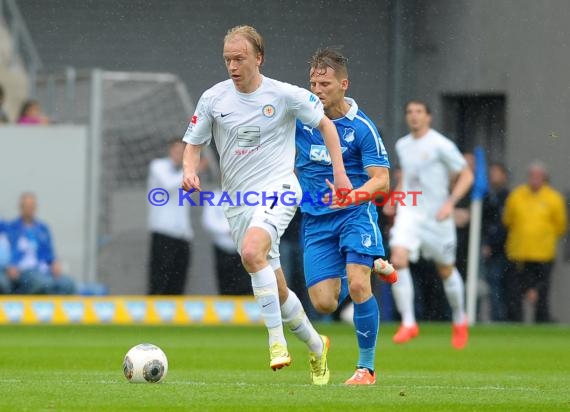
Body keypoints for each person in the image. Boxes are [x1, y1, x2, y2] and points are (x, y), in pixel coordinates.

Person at [181, 26, 351, 385]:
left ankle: (276, 342)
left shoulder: (285, 94)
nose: (232, 65)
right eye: (227, 59)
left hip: (280, 188)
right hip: (238, 202)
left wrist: (339, 173)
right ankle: (317, 346)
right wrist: (189, 171)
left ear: (258, 58)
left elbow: (326, 125)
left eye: (239, 58)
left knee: (251, 249)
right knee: (275, 285)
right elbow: (193, 143)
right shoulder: (214, 98)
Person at [295, 48, 395, 385]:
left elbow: (382, 180)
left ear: (343, 84)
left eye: (324, 83)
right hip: (315, 218)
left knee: (356, 283)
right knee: (323, 304)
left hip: (354, 212)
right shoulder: (300, 120)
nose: (317, 90)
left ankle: (366, 369)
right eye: (313, 83)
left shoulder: (361, 127)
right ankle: (371, 263)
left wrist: (352, 195)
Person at [382, 100, 473, 349]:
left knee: (445, 270)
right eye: (409, 112)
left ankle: (459, 319)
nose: (414, 116)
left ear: (428, 117)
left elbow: (466, 175)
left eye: (419, 112)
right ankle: (409, 322)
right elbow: (407, 178)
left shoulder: (441, 144)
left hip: (437, 217)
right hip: (410, 213)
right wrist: (395, 197)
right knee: (397, 259)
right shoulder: (403, 145)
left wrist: (451, 203)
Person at [503, 161, 567, 322]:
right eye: (532, 175)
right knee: (515, 291)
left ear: (545, 178)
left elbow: (561, 226)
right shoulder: (517, 195)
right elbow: (507, 220)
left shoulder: (553, 198)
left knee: (541, 292)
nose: (535, 179)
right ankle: (515, 322)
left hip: (543, 254)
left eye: (538, 176)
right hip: (519, 252)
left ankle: (541, 322)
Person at [2, 193, 75, 294]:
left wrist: (54, 263)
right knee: (39, 282)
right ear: (21, 208)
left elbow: (50, 254)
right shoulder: (10, 228)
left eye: (32, 206)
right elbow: (5, 251)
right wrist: (10, 265)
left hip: (43, 269)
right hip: (23, 271)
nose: (29, 209)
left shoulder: (43, 229)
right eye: (26, 206)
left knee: (68, 284)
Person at [147, 139, 193, 295]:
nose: (179, 154)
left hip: (183, 236)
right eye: (177, 150)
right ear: (170, 150)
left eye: (183, 152)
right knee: (159, 280)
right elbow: (169, 184)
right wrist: (192, 168)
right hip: (163, 233)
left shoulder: (186, 172)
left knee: (178, 282)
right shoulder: (158, 166)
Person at [202, 188, 251, 295]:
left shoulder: (247, 196)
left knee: (246, 288)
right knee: (225, 288)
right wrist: (228, 229)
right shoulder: (215, 196)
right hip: (222, 250)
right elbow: (208, 221)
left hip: (243, 251)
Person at [482, 162, 510, 321]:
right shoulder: (487, 197)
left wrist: (492, 244)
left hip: (503, 250)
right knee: (492, 284)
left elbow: (503, 226)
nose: (492, 175)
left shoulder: (507, 197)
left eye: (496, 172)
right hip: (492, 249)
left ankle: (501, 319)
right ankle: (496, 318)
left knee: (499, 285)